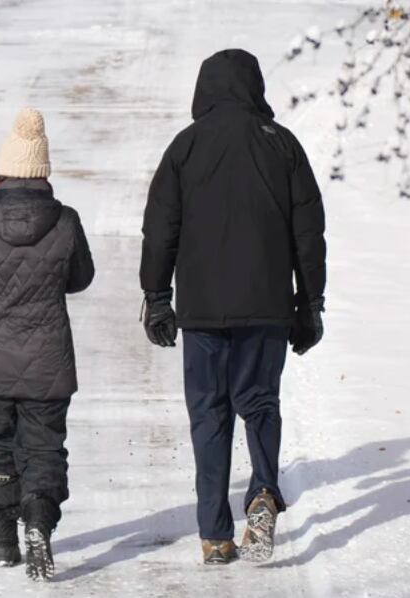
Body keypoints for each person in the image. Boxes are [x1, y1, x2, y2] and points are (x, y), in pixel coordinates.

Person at [140, 49, 326, 565]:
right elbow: (308, 233)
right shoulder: (282, 145)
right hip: (267, 307)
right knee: (260, 403)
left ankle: (215, 534)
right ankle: (264, 492)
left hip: (201, 311)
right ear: (255, 87)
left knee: (209, 414)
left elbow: (160, 231)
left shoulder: (185, 147)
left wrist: (157, 297)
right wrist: (310, 303)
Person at [0, 108, 94, 581]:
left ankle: (4, 544)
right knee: (45, 449)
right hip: (49, 358)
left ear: (4, 170)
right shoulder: (66, 221)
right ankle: (38, 521)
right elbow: (82, 278)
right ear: (43, 171)